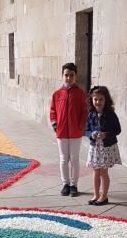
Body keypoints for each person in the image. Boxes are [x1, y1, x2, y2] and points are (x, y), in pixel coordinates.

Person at [50, 62, 88, 197]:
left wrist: (81, 126)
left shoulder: (80, 93)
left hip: (75, 133)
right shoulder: (57, 94)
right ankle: (65, 184)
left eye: (71, 75)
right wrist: (55, 124)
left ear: (75, 76)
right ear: (62, 76)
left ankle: (74, 185)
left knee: (75, 159)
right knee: (63, 159)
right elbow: (53, 111)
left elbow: (85, 111)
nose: (68, 78)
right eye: (66, 75)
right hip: (61, 132)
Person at [86, 85, 122, 205]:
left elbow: (117, 129)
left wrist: (106, 134)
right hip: (95, 147)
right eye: (95, 99)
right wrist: (91, 134)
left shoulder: (110, 114)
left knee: (103, 172)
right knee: (96, 171)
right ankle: (96, 194)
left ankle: (104, 196)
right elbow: (85, 130)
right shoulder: (91, 114)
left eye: (101, 99)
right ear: (92, 99)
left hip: (106, 147)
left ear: (106, 100)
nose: (98, 102)